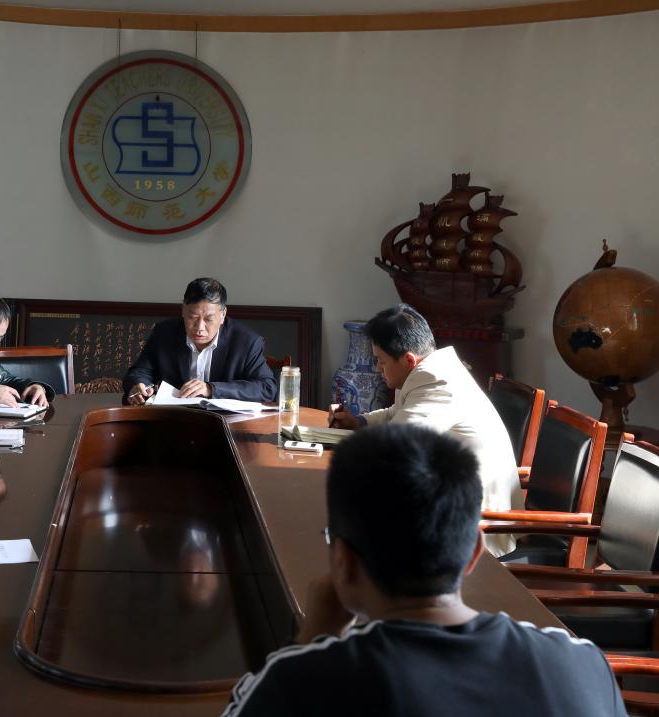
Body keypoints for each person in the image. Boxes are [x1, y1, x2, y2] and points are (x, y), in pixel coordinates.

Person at [223, 424, 627, 717]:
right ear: (474, 552)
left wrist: (310, 641)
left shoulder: (297, 685)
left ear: (343, 562)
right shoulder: (583, 665)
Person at [328, 304, 522, 556]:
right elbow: (397, 413)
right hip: (451, 493)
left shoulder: (436, 381)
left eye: (380, 361)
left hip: (474, 521)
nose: (377, 368)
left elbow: (397, 443)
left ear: (408, 359)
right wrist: (359, 422)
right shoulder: (428, 369)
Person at [122, 278, 276, 404]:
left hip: (226, 424)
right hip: (174, 421)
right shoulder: (164, 333)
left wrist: (211, 389)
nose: (200, 328)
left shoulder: (246, 341)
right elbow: (140, 371)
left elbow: (267, 388)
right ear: (183, 311)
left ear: (223, 315)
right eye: (193, 317)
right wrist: (138, 385)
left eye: (209, 319)